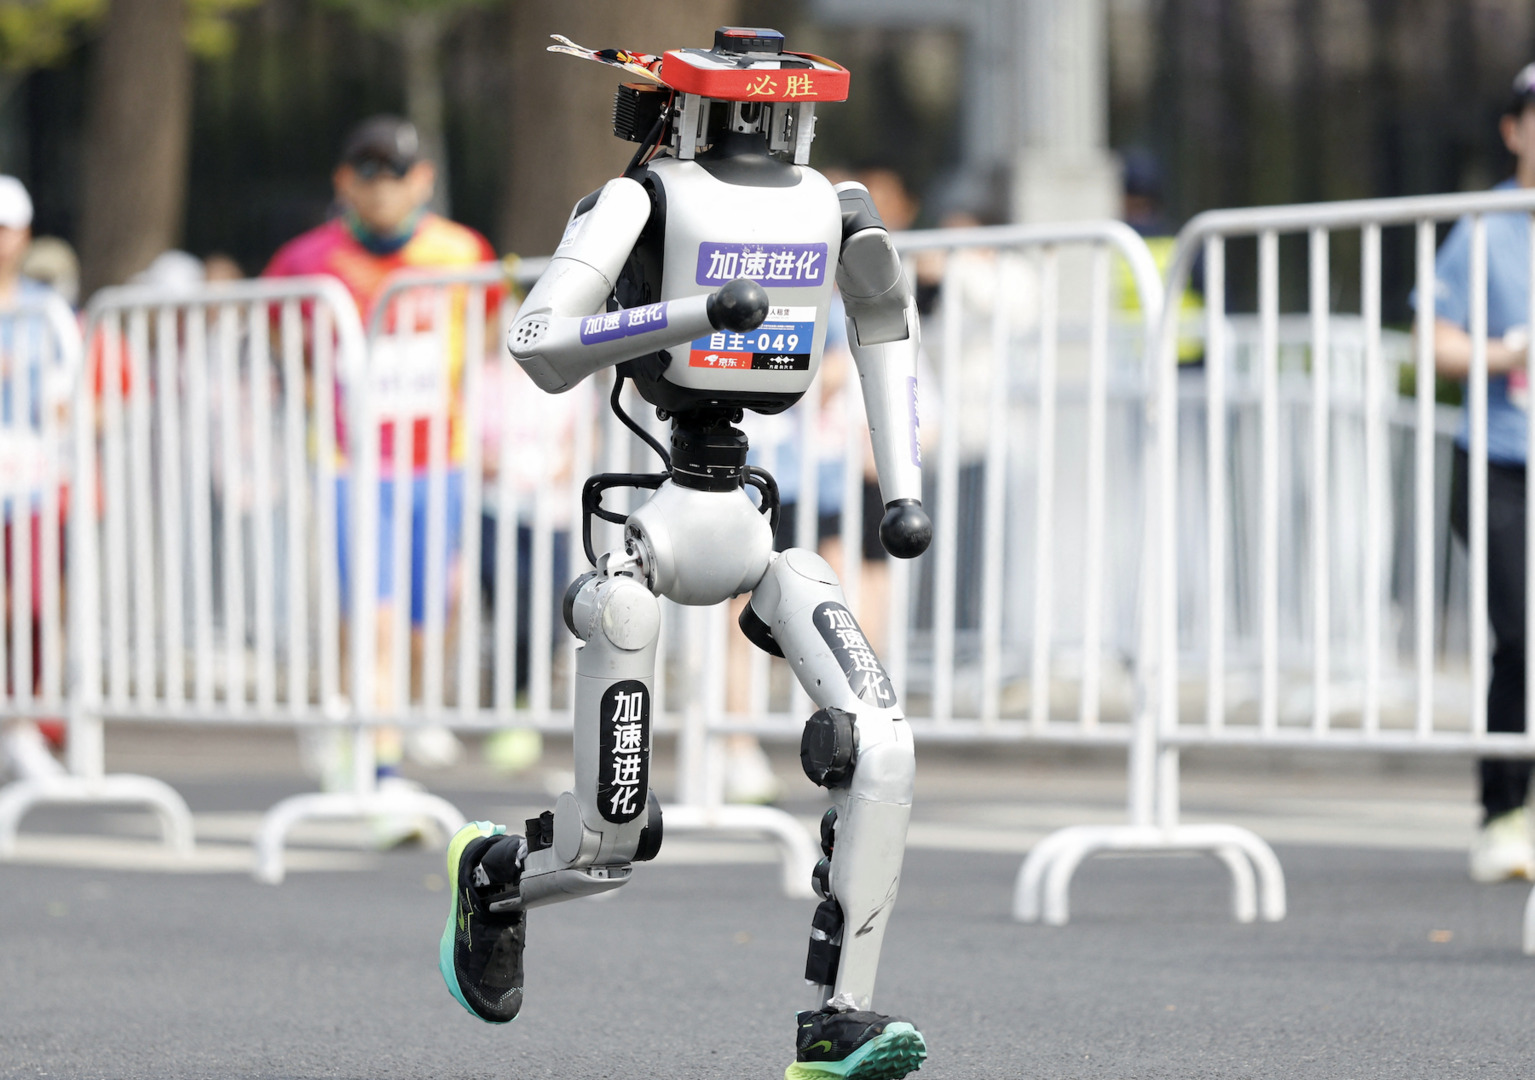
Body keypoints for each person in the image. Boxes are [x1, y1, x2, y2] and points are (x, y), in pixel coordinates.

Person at [263, 117, 497, 797]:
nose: (380, 187)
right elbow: (279, 337)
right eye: (366, 172)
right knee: (376, 614)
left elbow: (484, 332)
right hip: (351, 463)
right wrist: (320, 394)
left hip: (438, 459)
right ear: (343, 181)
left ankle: (391, 711)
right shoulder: (305, 258)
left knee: (429, 617)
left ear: (422, 180)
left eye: (394, 172)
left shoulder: (462, 251)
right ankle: (376, 760)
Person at [1426, 63, 1535, 883]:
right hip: (1499, 458)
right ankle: (1503, 811)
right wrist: (1506, 353)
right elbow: (1439, 341)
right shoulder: (1486, 226)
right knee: (1517, 635)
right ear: (1512, 130)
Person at [0, 176, 69, 782]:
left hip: (28, 478)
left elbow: (72, 391)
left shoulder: (45, 311)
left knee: (36, 605)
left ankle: (22, 725)